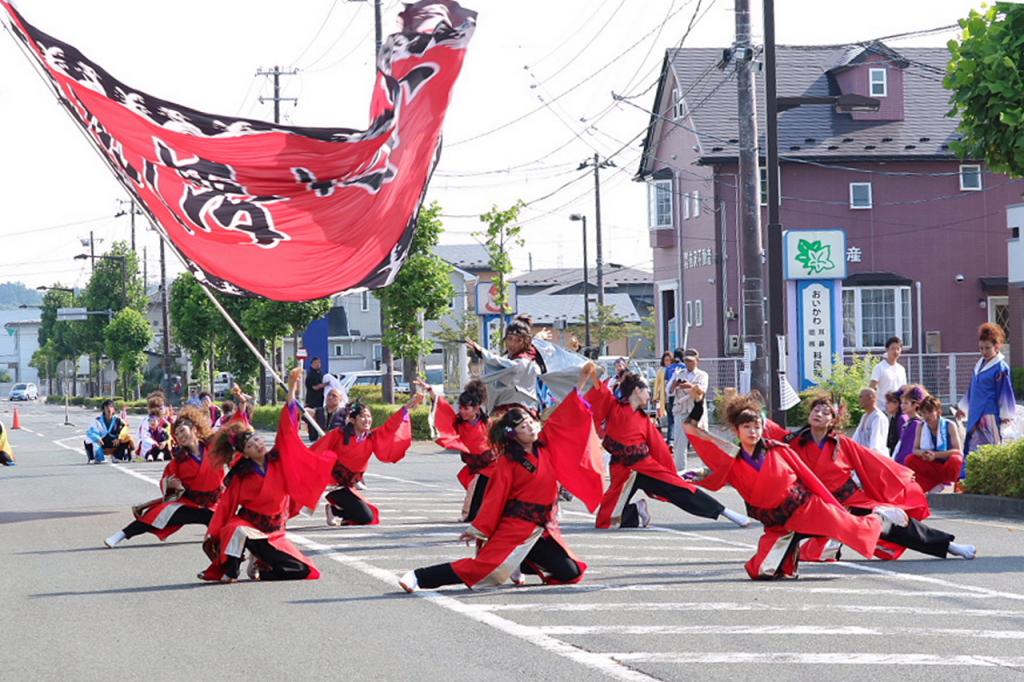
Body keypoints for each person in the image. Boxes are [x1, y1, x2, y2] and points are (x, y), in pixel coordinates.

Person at [399, 383, 602, 592]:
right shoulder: (508, 461)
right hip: (517, 527)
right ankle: (419, 577)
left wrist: (583, 383)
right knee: (481, 570)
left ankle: (518, 561)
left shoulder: (546, 446)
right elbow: (495, 497)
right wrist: (478, 528)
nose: (531, 427)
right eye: (523, 426)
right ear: (513, 434)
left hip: (543, 529)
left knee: (572, 572)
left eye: (531, 422)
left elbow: (563, 418)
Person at [684, 394, 896, 580]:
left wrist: (835, 506)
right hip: (777, 522)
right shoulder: (732, 459)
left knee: (852, 529)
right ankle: (787, 560)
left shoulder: (778, 449)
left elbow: (810, 479)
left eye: (757, 426)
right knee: (759, 571)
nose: (752, 431)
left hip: (806, 508)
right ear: (736, 430)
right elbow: (693, 432)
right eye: (746, 427)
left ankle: (879, 519)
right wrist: (698, 401)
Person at [764, 395, 975, 562]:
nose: (818, 414)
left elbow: (874, 464)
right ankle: (815, 548)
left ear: (833, 421)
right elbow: (766, 428)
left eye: (825, 412)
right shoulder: (795, 441)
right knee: (785, 530)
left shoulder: (842, 443)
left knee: (898, 527)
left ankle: (951, 547)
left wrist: (896, 486)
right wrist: (751, 415)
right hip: (816, 505)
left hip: (849, 502)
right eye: (816, 410)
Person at [198, 368, 335, 583]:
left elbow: (287, 429)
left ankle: (264, 566)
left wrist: (291, 390)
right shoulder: (242, 475)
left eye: (258, 440)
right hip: (250, 527)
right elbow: (226, 506)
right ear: (244, 453)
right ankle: (231, 571)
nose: (258, 445)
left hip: (274, 532)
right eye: (251, 445)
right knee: (236, 529)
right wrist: (213, 533)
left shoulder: (278, 458)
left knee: (303, 571)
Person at [584, 367, 749, 529]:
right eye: (646, 390)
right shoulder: (615, 407)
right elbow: (598, 391)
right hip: (621, 469)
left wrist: (670, 472)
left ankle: (726, 512)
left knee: (680, 490)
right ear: (636, 390)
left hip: (646, 467)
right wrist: (597, 373)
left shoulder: (645, 421)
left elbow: (658, 447)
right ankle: (636, 508)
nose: (649, 395)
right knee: (605, 522)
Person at [104, 406, 228, 548]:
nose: (180, 436)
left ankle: (213, 535)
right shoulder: (179, 461)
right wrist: (169, 483)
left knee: (226, 525)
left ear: (194, 429)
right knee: (157, 514)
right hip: (190, 503)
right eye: (177, 434)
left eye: (182, 431)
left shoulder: (214, 448)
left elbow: (234, 444)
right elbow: (166, 480)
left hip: (215, 503)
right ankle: (120, 535)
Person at [313, 393, 424, 526]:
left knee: (368, 517)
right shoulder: (339, 435)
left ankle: (335, 510)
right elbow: (316, 451)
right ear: (353, 420)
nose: (367, 420)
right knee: (365, 516)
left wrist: (406, 408)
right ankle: (336, 508)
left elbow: (390, 427)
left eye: (369, 416)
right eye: (362, 417)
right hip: (334, 486)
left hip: (349, 487)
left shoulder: (371, 437)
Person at [421, 378, 495, 522]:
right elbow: (443, 409)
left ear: (476, 408)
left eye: (466, 408)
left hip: (491, 466)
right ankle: (473, 515)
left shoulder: (489, 423)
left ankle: (468, 515)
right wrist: (431, 392)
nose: (462, 411)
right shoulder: (458, 423)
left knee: (478, 489)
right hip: (473, 466)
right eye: (460, 408)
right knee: (477, 492)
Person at [956, 322, 1017, 481]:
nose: (984, 351)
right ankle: (970, 480)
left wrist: (1005, 415)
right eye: (981, 348)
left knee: (990, 449)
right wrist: (963, 408)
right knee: (971, 448)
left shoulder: (1001, 367)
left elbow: (1005, 393)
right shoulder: (979, 364)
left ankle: (991, 481)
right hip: (976, 413)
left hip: (989, 414)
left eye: (987, 348)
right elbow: (972, 389)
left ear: (997, 347)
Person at [910, 395, 966, 494]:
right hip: (931, 463)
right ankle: (933, 486)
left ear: (938, 411)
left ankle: (953, 486)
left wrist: (935, 455)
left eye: (930, 412)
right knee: (910, 460)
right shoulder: (921, 426)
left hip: (946, 463)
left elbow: (958, 450)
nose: (927, 416)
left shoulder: (950, 425)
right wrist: (924, 454)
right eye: (924, 413)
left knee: (956, 459)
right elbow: (915, 449)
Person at [668, 349, 709, 470]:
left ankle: (706, 469)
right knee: (679, 444)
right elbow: (670, 392)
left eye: (691, 361)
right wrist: (674, 384)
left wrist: (690, 386)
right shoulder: (679, 373)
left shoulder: (702, 375)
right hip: (681, 410)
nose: (688, 364)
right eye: (686, 361)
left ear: (697, 361)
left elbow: (701, 392)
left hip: (696, 412)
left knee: (702, 442)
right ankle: (681, 472)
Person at [893, 384, 928, 465]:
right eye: (902, 403)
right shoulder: (908, 423)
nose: (902, 406)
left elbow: (908, 450)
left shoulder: (916, 424)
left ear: (915, 405)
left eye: (906, 403)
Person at [851, 388, 888, 456]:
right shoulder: (864, 416)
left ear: (871, 398)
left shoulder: (878, 417)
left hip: (875, 457)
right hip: (864, 455)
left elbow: (876, 443)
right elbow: (856, 438)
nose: (859, 400)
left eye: (861, 397)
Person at [870, 336, 908, 400]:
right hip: (883, 407)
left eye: (898, 349)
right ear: (887, 349)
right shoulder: (879, 367)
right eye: (893, 348)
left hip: (898, 407)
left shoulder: (901, 369)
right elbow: (872, 387)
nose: (895, 351)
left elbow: (904, 389)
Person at [653, 351, 675, 444]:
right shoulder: (661, 371)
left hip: (675, 397)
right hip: (665, 398)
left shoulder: (675, 369)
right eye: (666, 360)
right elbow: (656, 385)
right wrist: (656, 396)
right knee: (670, 419)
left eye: (670, 360)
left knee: (674, 419)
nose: (668, 362)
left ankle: (672, 439)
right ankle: (671, 439)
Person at [884, 390, 906, 457]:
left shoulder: (901, 419)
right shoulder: (893, 418)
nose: (886, 405)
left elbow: (902, 441)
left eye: (888, 402)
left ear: (897, 403)